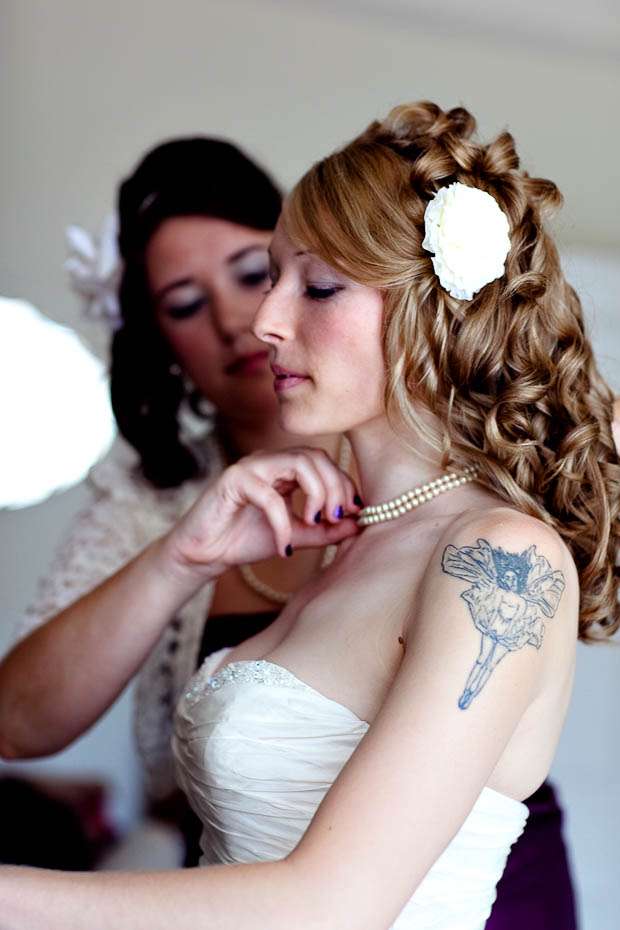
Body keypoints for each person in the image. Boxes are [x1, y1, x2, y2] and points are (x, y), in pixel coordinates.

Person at [2, 100, 618, 930]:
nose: (262, 323)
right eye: (273, 277)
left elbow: (332, 905)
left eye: (318, 287)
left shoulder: (504, 558)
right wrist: (187, 556)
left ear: (430, 310)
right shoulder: (342, 543)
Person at [0, 137, 358, 863]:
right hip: (233, 884)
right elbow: (17, 724)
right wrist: (177, 561)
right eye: (187, 304)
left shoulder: (417, 453)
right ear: (159, 340)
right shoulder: (149, 501)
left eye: (254, 273)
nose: (235, 320)